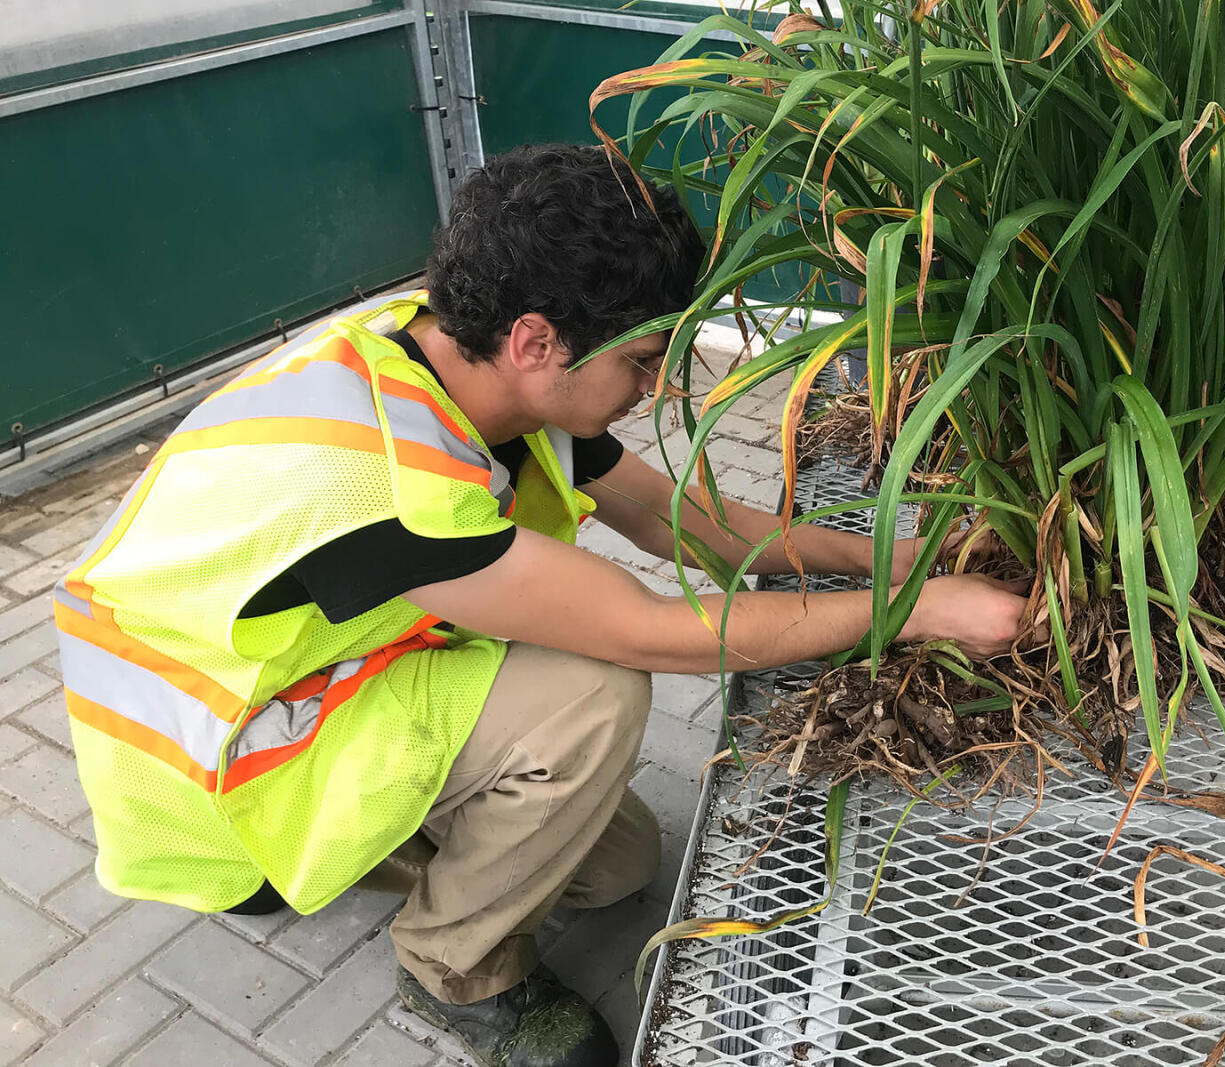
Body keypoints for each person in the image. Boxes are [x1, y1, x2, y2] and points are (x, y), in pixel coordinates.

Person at [53, 144, 1031, 1067]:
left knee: (615, 870)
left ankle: (407, 834)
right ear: (537, 339)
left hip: (318, 672)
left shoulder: (463, 358)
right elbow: (655, 631)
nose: (651, 392)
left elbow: (684, 522)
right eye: (642, 363)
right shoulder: (390, 478)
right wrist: (916, 611)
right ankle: (453, 964)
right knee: (592, 696)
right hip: (215, 758)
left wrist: (897, 556)